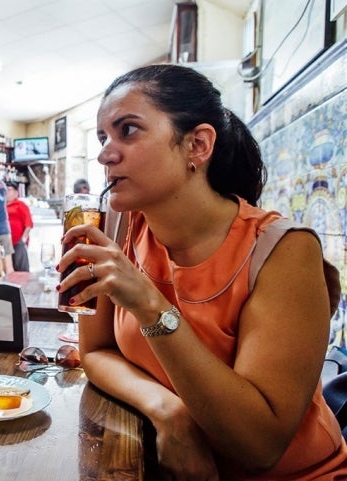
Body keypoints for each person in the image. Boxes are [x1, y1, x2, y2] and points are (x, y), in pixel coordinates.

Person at [57, 64, 347, 479]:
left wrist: (150, 306)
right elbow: (96, 351)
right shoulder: (120, 228)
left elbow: (260, 445)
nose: (105, 153)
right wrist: (169, 411)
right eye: (104, 137)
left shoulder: (284, 251)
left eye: (129, 130)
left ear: (197, 144)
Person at [5, 181, 33, 272]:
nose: (6, 192)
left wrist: (23, 239)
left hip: (18, 242)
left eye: (9, 190)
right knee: (9, 270)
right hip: (6, 242)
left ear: (16, 192)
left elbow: (28, 223)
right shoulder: (2, 206)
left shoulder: (21, 205)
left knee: (21, 269)